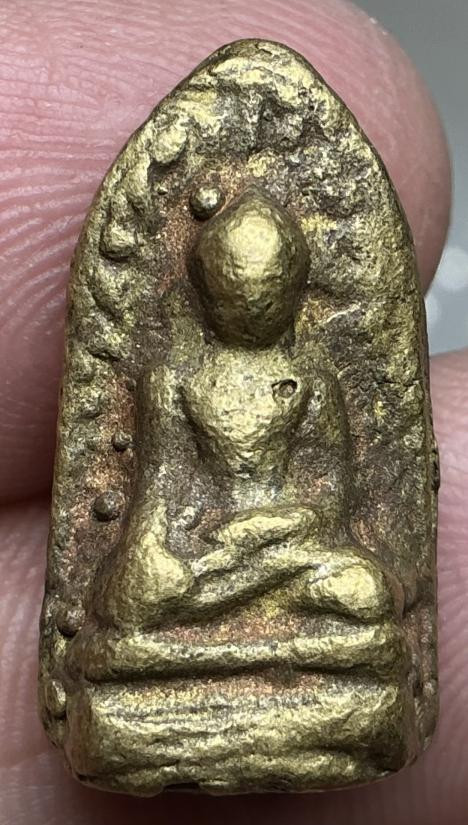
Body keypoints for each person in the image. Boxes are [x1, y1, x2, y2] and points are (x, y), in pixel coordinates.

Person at [0, 1, 464, 823]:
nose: (253, 300)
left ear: (292, 287)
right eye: (236, 285)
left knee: (366, 593)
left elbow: (333, 505)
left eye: (269, 286)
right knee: (130, 600)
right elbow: (154, 503)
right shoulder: (174, 378)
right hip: (200, 560)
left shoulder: (311, 376)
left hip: (282, 549)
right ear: (209, 285)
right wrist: (184, 561)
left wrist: (257, 542)